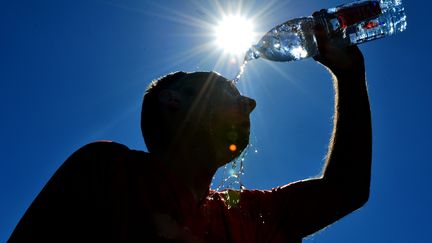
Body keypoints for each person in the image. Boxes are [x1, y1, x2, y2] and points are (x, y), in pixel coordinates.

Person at [8, 24, 372, 242]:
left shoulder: (247, 214)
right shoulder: (106, 172)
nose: (250, 104)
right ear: (172, 102)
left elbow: (346, 190)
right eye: (227, 90)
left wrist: (350, 77)